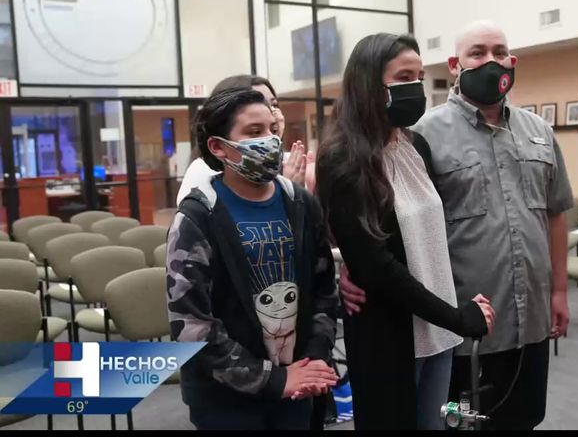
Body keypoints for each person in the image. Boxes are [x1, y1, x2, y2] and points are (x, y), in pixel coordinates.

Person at [338, 21, 574, 430]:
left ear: (512, 60)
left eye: (499, 52)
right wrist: (353, 264)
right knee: (463, 424)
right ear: (455, 65)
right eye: (477, 53)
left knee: (525, 418)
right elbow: (395, 224)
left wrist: (559, 291)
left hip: (531, 317)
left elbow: (555, 213)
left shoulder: (539, 131)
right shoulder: (419, 136)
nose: (491, 61)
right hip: (462, 324)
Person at [315, 33, 496, 430]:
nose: (415, 86)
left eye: (419, 76)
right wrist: (457, 318)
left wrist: (450, 317)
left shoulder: (416, 146)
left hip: (437, 331)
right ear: (368, 83)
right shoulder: (343, 159)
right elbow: (376, 266)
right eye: (403, 77)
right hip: (389, 336)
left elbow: (431, 238)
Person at [166, 87, 339, 430]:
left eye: (272, 130)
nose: (270, 141)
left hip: (298, 385)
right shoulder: (198, 217)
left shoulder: (300, 204)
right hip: (227, 399)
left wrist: (314, 359)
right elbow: (192, 325)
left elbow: (324, 292)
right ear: (218, 147)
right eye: (254, 132)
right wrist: (272, 379)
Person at [176, 74, 310, 204]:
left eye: (274, 104)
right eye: (258, 102)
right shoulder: (202, 172)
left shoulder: (291, 162)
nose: (269, 112)